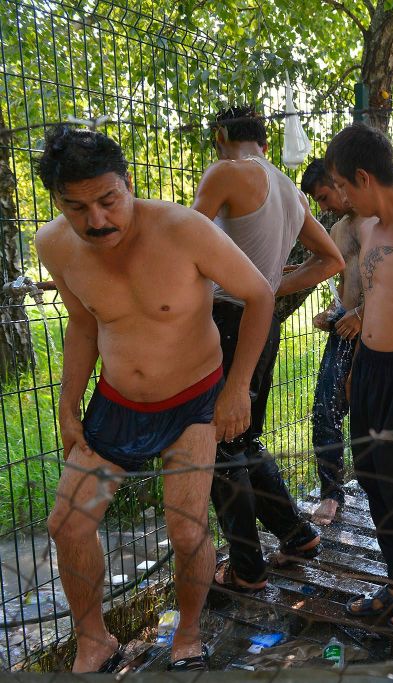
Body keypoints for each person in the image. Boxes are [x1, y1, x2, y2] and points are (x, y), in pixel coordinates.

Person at [36, 127, 274, 672]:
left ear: (129, 184)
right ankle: (93, 640)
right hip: (118, 403)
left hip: (194, 402)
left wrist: (237, 388)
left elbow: (259, 293)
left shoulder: (183, 228)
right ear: (57, 203)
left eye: (107, 200)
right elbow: (82, 324)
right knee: (67, 524)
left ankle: (188, 635)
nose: (96, 220)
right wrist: (68, 406)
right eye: (76, 207)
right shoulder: (52, 245)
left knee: (186, 528)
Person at [192, 106, 344, 592]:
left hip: (226, 321)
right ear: (263, 139)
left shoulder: (226, 173)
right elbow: (331, 260)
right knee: (242, 439)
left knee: (219, 445)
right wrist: (270, 287)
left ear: (221, 136)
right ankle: (297, 535)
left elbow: (185, 240)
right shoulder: (289, 189)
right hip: (262, 323)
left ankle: (247, 568)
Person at [325, 122, 393, 630]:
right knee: (366, 471)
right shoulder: (364, 228)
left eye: (343, 186)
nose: (340, 197)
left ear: (364, 178)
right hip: (367, 366)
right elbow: (358, 284)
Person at [300, 158, 374, 524]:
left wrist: (362, 316)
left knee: (372, 415)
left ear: (341, 182)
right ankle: (332, 493)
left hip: (380, 334)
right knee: (325, 410)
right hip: (346, 334)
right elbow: (345, 285)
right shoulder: (339, 229)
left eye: (324, 196)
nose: (323, 206)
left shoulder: (381, 223)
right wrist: (334, 312)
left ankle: (389, 488)